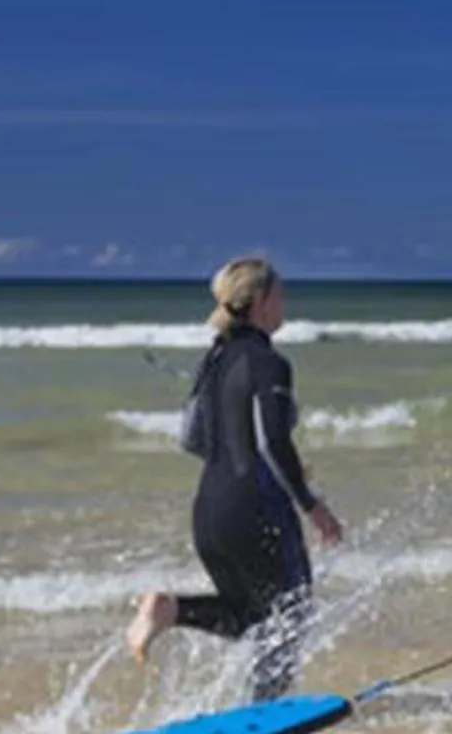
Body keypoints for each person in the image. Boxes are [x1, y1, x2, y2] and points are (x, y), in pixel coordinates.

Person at [127, 257, 346, 699]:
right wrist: (311, 504)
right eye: (280, 295)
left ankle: (170, 611)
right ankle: (265, 723)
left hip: (210, 511)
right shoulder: (269, 362)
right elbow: (270, 443)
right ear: (262, 301)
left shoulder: (214, 360)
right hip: (254, 510)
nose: (285, 304)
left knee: (251, 617)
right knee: (290, 617)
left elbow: (192, 438)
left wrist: (240, 458)